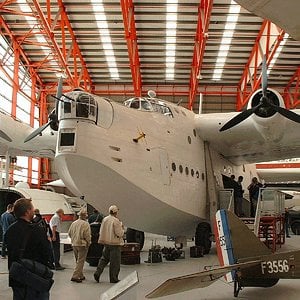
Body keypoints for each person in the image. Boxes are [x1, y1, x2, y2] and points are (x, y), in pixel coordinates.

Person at [5, 198, 51, 300]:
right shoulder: (37, 231)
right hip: (35, 277)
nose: (33, 212)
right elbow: (47, 253)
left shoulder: (9, 230)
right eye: (32, 209)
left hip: (16, 276)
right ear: (27, 212)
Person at [94, 205, 125, 283]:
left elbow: (101, 231)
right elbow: (119, 233)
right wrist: (122, 229)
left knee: (104, 259)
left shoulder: (105, 219)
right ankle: (113, 278)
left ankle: (97, 272)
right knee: (115, 262)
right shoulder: (116, 221)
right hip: (115, 244)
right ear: (115, 212)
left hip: (106, 243)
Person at [68, 209, 91, 283]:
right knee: (81, 260)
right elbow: (87, 235)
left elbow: (69, 233)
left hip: (74, 243)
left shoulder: (73, 223)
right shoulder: (85, 224)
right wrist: (88, 242)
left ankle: (80, 275)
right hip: (82, 244)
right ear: (85, 216)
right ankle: (75, 276)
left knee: (77, 260)